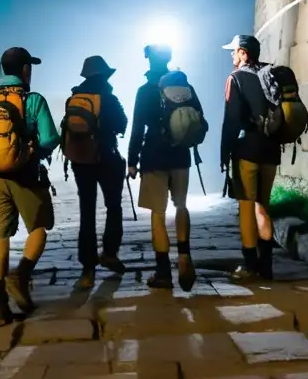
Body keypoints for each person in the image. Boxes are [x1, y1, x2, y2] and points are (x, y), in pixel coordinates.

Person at [0, 47, 60, 326]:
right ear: (26, 69)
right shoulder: (33, 100)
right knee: (40, 227)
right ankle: (20, 274)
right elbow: (51, 139)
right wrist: (31, 151)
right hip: (27, 175)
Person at [127, 43, 207, 291]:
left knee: (158, 214)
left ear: (149, 61)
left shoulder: (145, 90)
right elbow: (201, 122)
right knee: (181, 205)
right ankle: (184, 256)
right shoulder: (186, 88)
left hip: (153, 157)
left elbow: (138, 128)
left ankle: (163, 272)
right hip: (181, 155)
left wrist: (132, 161)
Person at [61, 55, 129, 290]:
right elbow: (122, 124)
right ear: (104, 76)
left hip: (81, 160)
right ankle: (109, 252)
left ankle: (87, 270)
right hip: (106, 157)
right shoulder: (108, 98)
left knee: (86, 212)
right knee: (113, 205)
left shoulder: (74, 98)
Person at [220, 34, 283, 282]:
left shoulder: (235, 78)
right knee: (262, 206)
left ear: (244, 53)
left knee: (246, 207)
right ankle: (266, 266)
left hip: (247, 149)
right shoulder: (272, 74)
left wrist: (225, 151)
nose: (232, 55)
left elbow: (232, 119)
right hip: (271, 148)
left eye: (234, 51)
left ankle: (249, 265)